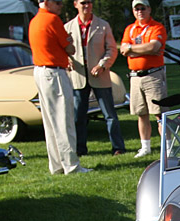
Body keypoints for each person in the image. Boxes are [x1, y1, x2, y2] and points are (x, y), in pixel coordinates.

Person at [29, 0, 88, 174]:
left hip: (40, 71)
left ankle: (56, 165)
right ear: (46, 2)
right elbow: (70, 48)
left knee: (50, 122)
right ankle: (71, 165)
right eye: (58, 2)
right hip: (54, 73)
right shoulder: (52, 20)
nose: (61, 5)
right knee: (64, 120)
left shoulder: (35, 21)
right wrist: (69, 41)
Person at [66, 0, 126, 157]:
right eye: (83, 2)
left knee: (109, 114)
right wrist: (67, 61)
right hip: (78, 76)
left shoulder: (103, 25)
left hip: (100, 75)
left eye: (90, 2)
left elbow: (112, 50)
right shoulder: (68, 27)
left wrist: (102, 65)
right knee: (79, 116)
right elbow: (63, 50)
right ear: (75, 4)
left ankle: (118, 147)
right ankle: (80, 149)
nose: (87, 5)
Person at [121, 0, 167, 158]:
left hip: (153, 75)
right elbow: (122, 49)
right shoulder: (130, 29)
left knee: (159, 113)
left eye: (143, 8)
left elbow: (154, 47)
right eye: (137, 9)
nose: (140, 11)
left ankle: (168, 147)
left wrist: (131, 49)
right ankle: (145, 147)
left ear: (149, 9)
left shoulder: (157, 27)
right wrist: (142, 49)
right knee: (141, 113)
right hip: (135, 76)